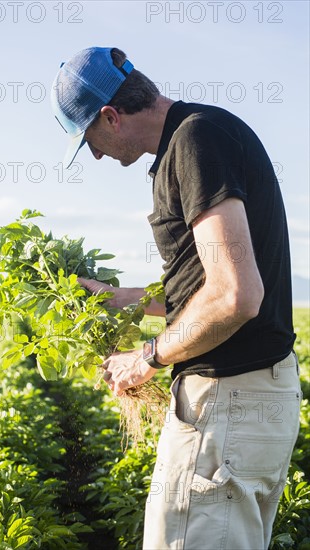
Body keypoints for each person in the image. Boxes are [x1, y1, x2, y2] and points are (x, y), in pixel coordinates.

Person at [51, 47, 301, 550]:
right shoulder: (205, 132)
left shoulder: (194, 142)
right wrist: (121, 297)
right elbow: (212, 283)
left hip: (227, 403)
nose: (96, 154)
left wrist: (146, 358)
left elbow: (235, 295)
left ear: (110, 116)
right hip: (253, 398)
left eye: (90, 140)